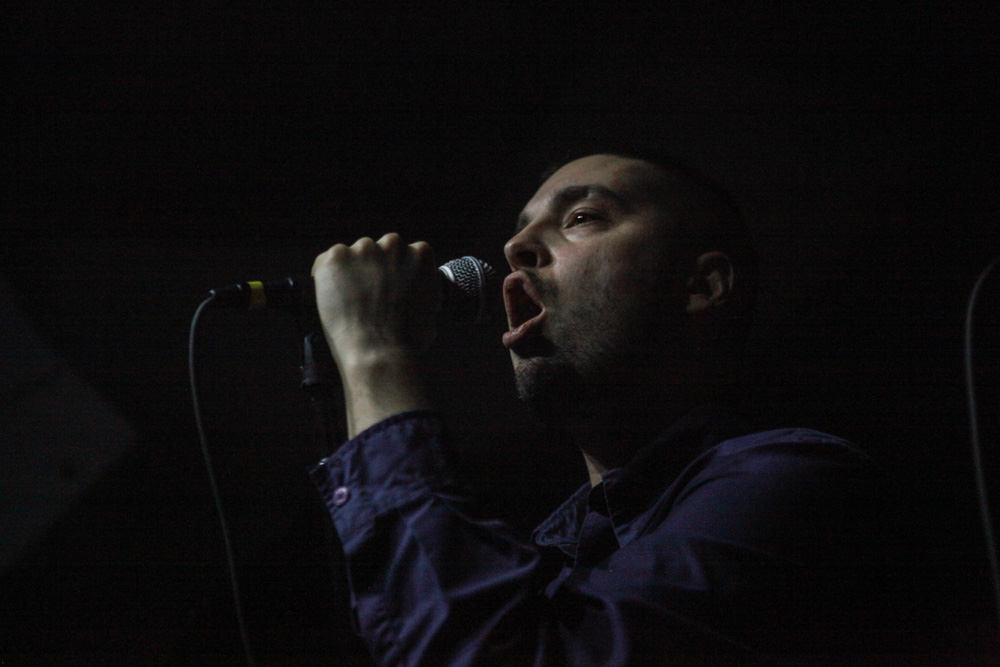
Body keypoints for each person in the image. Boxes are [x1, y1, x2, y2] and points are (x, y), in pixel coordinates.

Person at [308, 151, 887, 664]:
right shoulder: (550, 552)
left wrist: (374, 356)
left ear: (702, 285)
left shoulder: (796, 482)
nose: (513, 249)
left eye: (582, 217)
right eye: (518, 231)